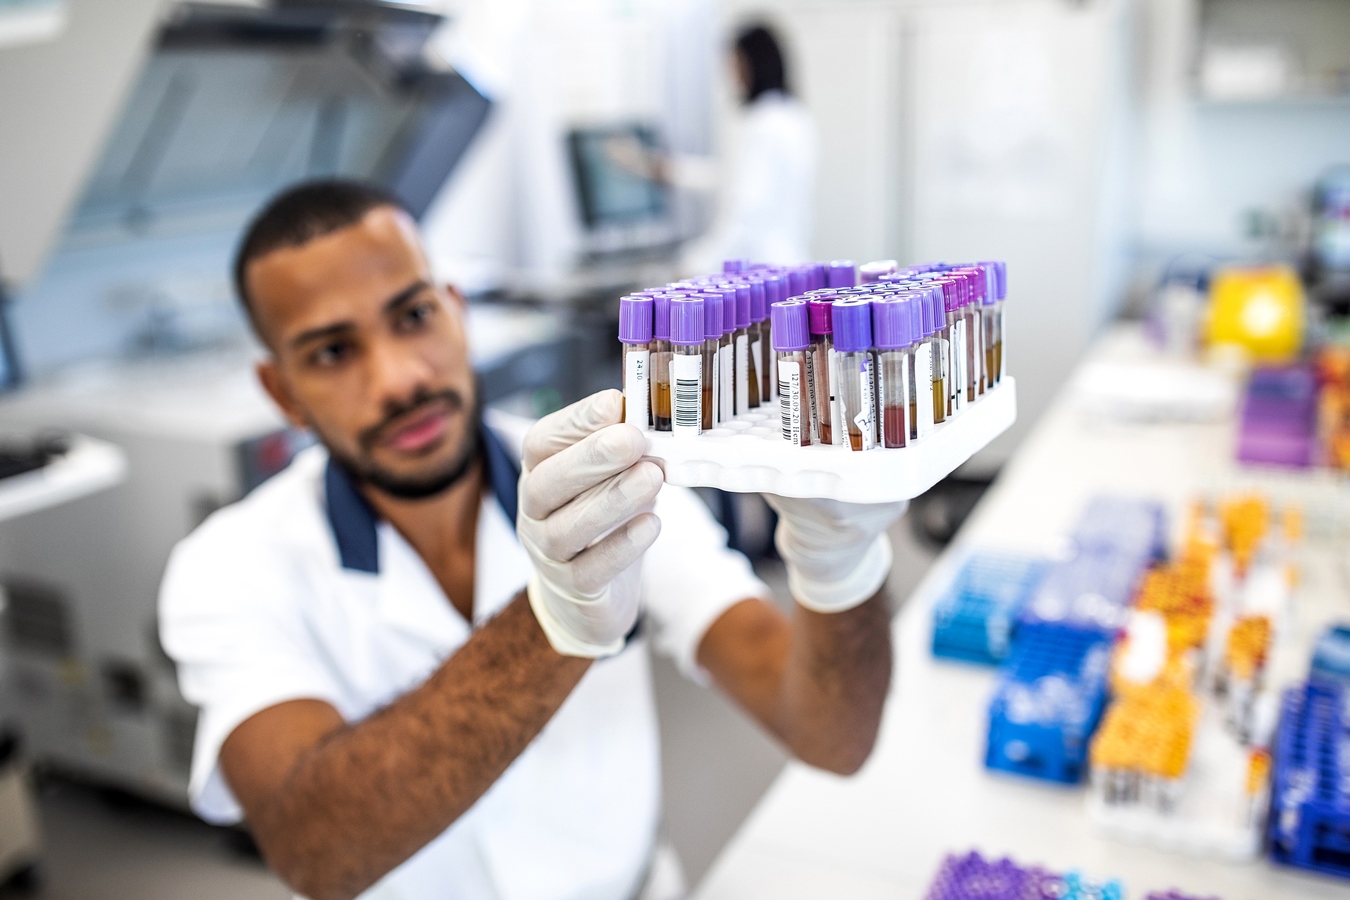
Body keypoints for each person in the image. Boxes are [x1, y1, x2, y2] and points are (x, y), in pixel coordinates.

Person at [158, 180, 905, 900]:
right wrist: (553, 621)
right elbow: (315, 852)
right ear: (281, 391)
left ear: (456, 312)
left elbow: (828, 735)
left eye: (413, 315)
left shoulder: (613, 477)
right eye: (331, 353)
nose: (397, 379)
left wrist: (838, 569)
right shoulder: (229, 568)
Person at [687, 23, 818, 269]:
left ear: (754, 64)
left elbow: (745, 215)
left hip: (763, 268)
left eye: (736, 64)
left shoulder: (765, 125)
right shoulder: (793, 115)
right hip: (791, 262)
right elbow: (730, 177)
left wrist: (694, 265)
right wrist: (663, 170)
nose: (733, 75)